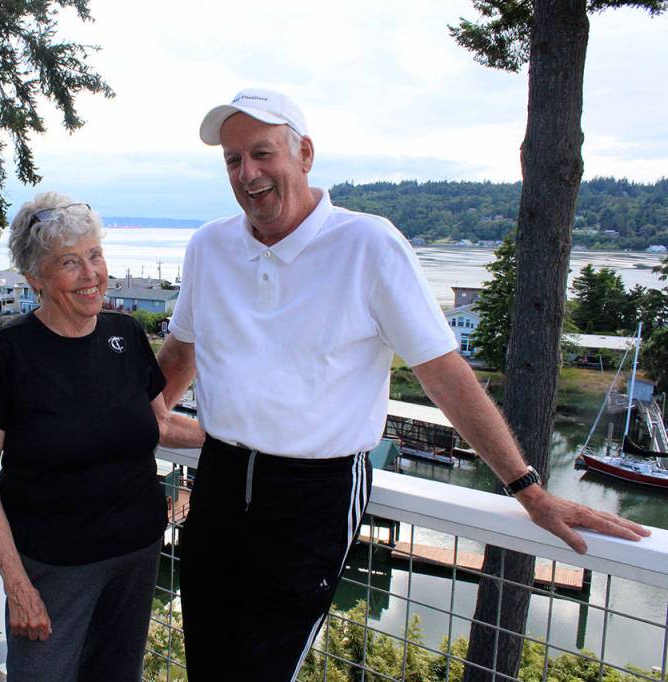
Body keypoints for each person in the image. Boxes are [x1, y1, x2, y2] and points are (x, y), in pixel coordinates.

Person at [157, 88, 652, 681]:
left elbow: (443, 373)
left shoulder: (368, 245)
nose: (248, 174)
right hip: (219, 478)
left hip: (312, 493)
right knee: (207, 658)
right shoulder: (210, 246)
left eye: (262, 154)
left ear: (305, 153)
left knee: (261, 669)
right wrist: (148, 413)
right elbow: (182, 347)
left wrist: (528, 488)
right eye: (233, 161)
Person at [0, 193, 204, 681]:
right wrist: (17, 585)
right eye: (69, 263)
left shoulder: (125, 335)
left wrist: (239, 439)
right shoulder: (7, 353)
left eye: (94, 255)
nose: (91, 274)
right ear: (36, 278)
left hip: (136, 551)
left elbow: (159, 424)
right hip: (53, 565)